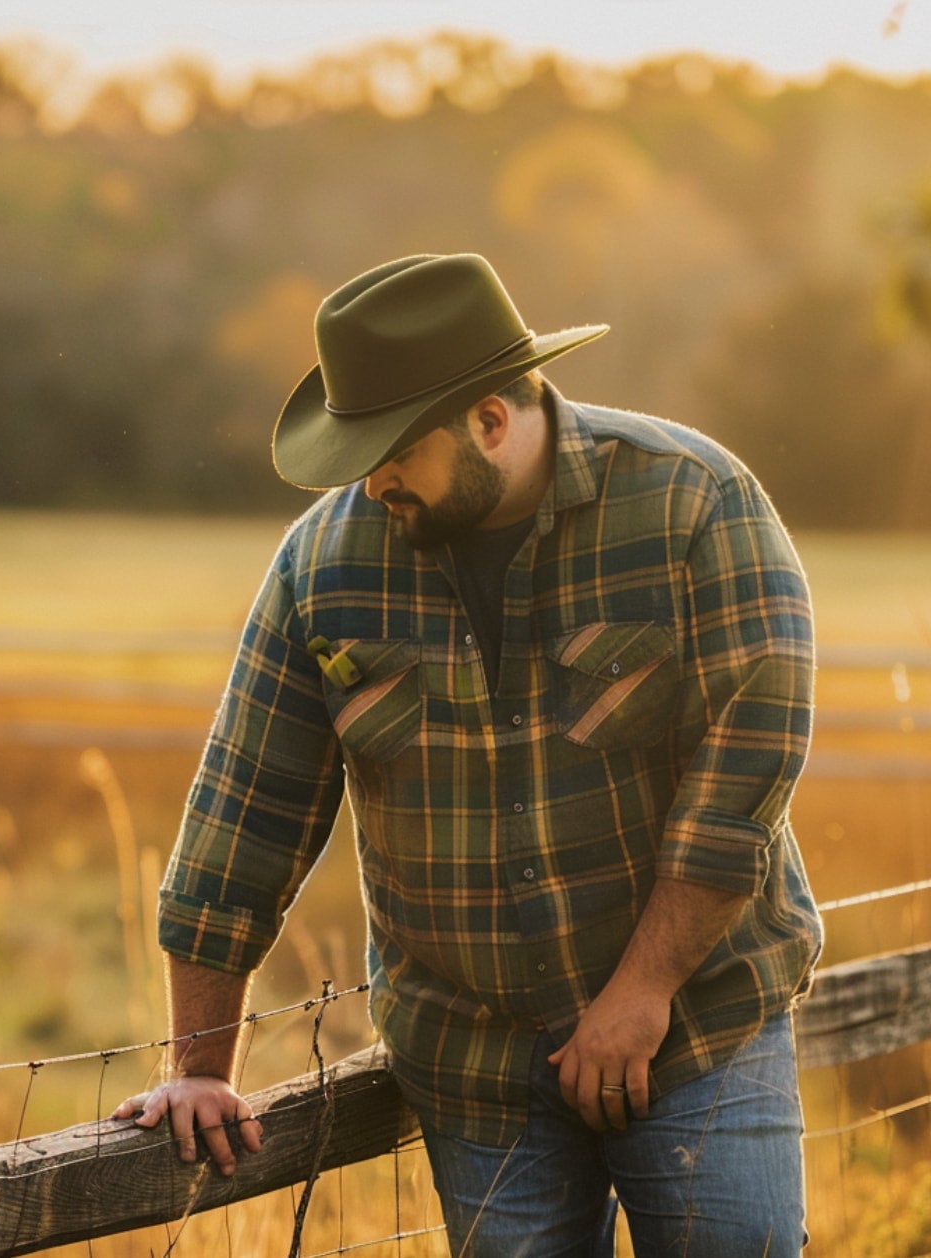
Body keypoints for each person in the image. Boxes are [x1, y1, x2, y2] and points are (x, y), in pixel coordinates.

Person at [113, 253, 821, 1255]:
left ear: (490, 420)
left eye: (390, 450)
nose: (371, 479)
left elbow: (744, 774)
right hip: (475, 1065)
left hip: (697, 1029)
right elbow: (243, 814)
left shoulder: (693, 505)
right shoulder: (322, 566)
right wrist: (197, 1061)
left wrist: (640, 991)